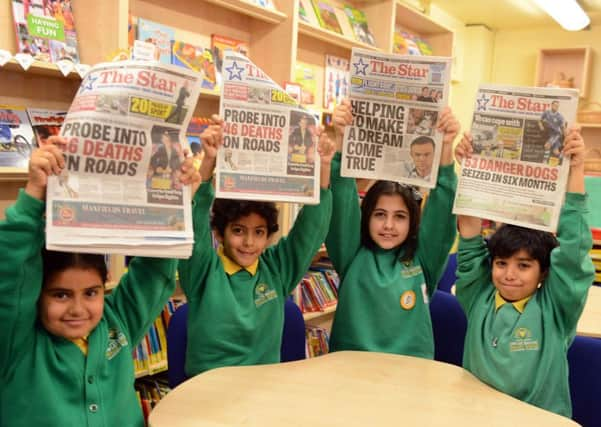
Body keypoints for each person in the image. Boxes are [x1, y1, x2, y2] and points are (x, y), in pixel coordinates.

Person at [0, 136, 201, 427]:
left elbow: (154, 271)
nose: (78, 309)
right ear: (35, 293)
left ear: (105, 284)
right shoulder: (15, 341)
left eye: (91, 293)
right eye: (60, 295)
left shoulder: (116, 321)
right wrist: (33, 195)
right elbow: (9, 278)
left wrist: (178, 204)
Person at [178, 114, 334, 376]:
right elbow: (192, 221)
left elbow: (310, 231)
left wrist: (325, 167)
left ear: (268, 235)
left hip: (260, 395)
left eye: (259, 232)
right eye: (238, 231)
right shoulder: (204, 270)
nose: (249, 242)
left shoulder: (276, 269)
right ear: (219, 231)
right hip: (207, 396)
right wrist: (209, 161)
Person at [454, 127, 595, 417]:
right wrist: (469, 168)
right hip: (476, 418)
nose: (509, 274)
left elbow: (573, 253)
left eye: (524, 265)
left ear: (544, 272)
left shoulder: (555, 308)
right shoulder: (477, 296)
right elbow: (469, 235)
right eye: (501, 263)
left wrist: (576, 169)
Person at [325, 99, 459, 357]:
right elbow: (341, 199)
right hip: (351, 376)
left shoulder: (423, 258)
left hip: (409, 379)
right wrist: (342, 141)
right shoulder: (352, 253)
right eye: (379, 214)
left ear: (413, 222)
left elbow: (442, 210)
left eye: (399, 216)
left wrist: (446, 147)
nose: (388, 225)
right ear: (365, 217)